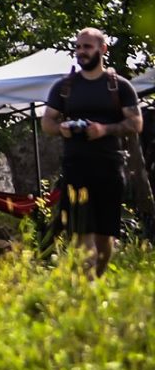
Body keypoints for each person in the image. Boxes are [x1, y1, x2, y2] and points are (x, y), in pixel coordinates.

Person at [41, 26, 144, 275]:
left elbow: (136, 124)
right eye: (77, 47)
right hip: (76, 168)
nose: (81, 51)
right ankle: (88, 286)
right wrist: (62, 129)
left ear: (102, 49)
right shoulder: (64, 87)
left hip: (109, 167)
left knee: (104, 238)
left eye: (87, 47)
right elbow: (47, 123)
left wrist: (103, 130)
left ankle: (97, 279)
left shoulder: (118, 86)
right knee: (81, 233)